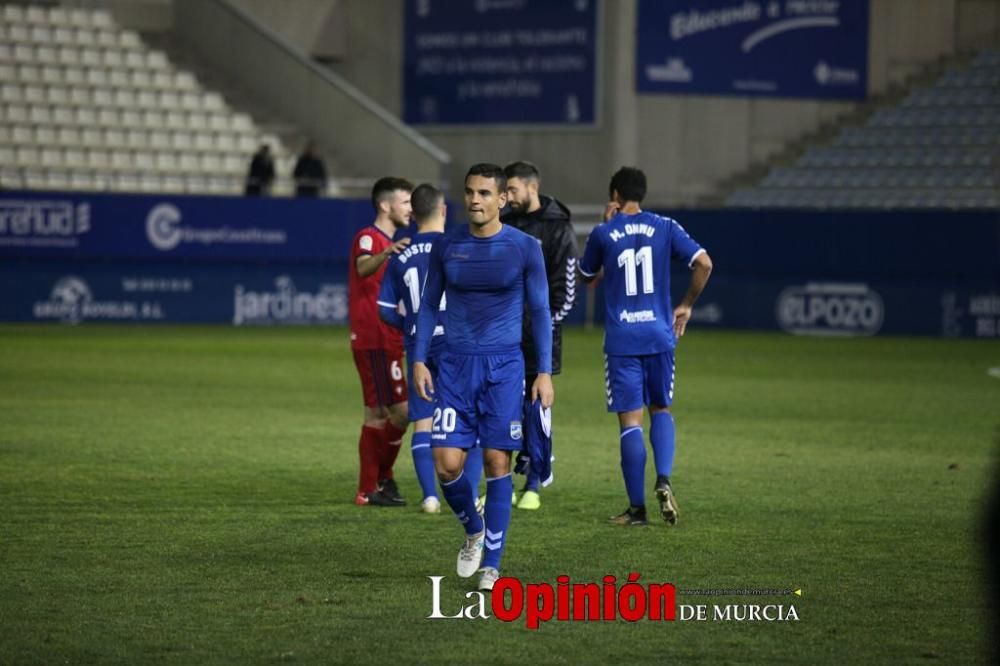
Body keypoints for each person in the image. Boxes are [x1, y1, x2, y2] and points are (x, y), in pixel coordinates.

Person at [412, 163, 554, 591]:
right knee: (447, 464)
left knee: (497, 462)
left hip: (504, 368)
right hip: (454, 366)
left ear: (502, 200)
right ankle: (473, 529)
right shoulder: (447, 244)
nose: (475, 200)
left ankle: (492, 562)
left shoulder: (525, 247)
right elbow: (427, 305)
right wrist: (419, 358)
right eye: (470, 192)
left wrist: (543, 371)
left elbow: (542, 311)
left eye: (484, 194)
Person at [578, 167, 713, 526]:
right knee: (661, 409)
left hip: (623, 340)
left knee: (630, 423)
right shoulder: (666, 226)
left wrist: (605, 225)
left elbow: (586, 278)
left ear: (615, 195)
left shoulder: (604, 233)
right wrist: (685, 305)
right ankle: (664, 478)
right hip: (658, 335)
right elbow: (704, 263)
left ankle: (637, 509)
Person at [502, 161, 578, 511]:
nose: (508, 197)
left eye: (513, 190)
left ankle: (533, 483)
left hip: (538, 342)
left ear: (533, 187)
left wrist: (539, 326)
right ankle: (500, 482)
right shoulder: (504, 223)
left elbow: (566, 293)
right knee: (501, 408)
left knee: (535, 412)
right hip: (502, 337)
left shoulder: (558, 228)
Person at [376, 183, 448, 514]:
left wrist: (411, 328)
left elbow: (385, 309)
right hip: (454, 344)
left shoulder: (400, 253)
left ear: (414, 214)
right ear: (443, 210)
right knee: (466, 417)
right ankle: (465, 491)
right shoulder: (455, 247)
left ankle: (429, 496)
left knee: (423, 420)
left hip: (419, 347)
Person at [348, 177, 413, 506]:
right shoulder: (369, 238)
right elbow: (362, 267)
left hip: (386, 338)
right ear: (386, 205)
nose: (411, 209)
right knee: (399, 412)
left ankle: (374, 485)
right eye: (406, 202)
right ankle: (375, 483)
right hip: (374, 338)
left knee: (379, 414)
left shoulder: (393, 243)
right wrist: (386, 251)